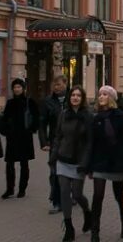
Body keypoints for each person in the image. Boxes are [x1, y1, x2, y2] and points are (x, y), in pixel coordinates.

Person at [84, 86, 123, 242]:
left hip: (118, 162)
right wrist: (89, 167)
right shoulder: (96, 118)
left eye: (105, 94)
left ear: (111, 98)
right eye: (99, 94)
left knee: (119, 196)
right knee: (98, 196)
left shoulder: (120, 116)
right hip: (99, 162)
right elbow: (91, 143)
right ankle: (95, 231)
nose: (101, 97)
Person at [54, 85, 93, 242]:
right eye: (72, 95)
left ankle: (87, 212)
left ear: (82, 99)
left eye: (78, 95)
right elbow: (58, 136)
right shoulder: (63, 115)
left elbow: (90, 141)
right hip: (63, 159)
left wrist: (86, 161)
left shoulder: (88, 117)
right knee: (64, 192)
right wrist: (55, 154)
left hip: (79, 161)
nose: (75, 98)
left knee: (77, 194)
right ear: (69, 98)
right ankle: (69, 226)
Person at [0, 78, 39, 199]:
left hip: (25, 137)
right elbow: (4, 119)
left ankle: (22, 189)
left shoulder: (29, 102)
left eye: (19, 87)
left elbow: (36, 117)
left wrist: (32, 129)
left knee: (24, 164)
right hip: (12, 137)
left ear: (23, 88)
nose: (17, 89)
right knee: (9, 164)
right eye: (15, 87)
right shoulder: (10, 103)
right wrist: (5, 131)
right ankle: (10, 189)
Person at [39, 74, 68, 214]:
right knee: (54, 172)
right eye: (55, 85)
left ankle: (71, 195)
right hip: (55, 142)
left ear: (65, 84)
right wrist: (44, 142)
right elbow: (42, 123)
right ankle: (56, 201)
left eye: (59, 84)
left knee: (70, 171)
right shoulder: (48, 101)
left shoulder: (73, 98)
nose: (57, 87)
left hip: (71, 142)